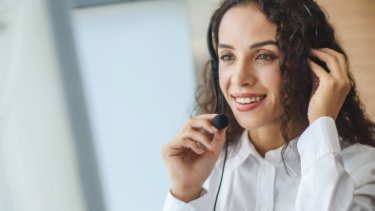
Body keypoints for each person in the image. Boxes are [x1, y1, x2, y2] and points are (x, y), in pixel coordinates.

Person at [161, 0, 375, 210]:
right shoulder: (206, 169)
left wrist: (321, 124)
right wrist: (185, 192)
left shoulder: (364, 168)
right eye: (227, 56)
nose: (239, 78)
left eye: (263, 56)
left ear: (310, 65)